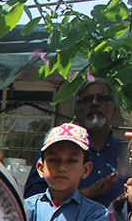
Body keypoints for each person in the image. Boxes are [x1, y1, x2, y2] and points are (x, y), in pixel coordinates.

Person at [24, 78, 125, 209]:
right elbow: (33, 197)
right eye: (87, 100)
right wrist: (87, 193)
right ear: (76, 112)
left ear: (114, 110)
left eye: (103, 98)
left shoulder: (125, 152)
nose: (94, 103)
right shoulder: (56, 148)